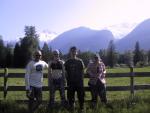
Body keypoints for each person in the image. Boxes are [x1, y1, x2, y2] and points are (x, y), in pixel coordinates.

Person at [65, 46, 85, 111]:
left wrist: (81, 80)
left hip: (79, 82)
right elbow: (65, 72)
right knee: (70, 97)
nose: (73, 52)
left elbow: (82, 71)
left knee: (81, 96)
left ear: (76, 52)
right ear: (70, 52)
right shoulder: (67, 62)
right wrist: (67, 79)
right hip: (70, 82)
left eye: (74, 51)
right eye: (72, 51)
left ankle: (81, 108)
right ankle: (72, 108)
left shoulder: (80, 61)